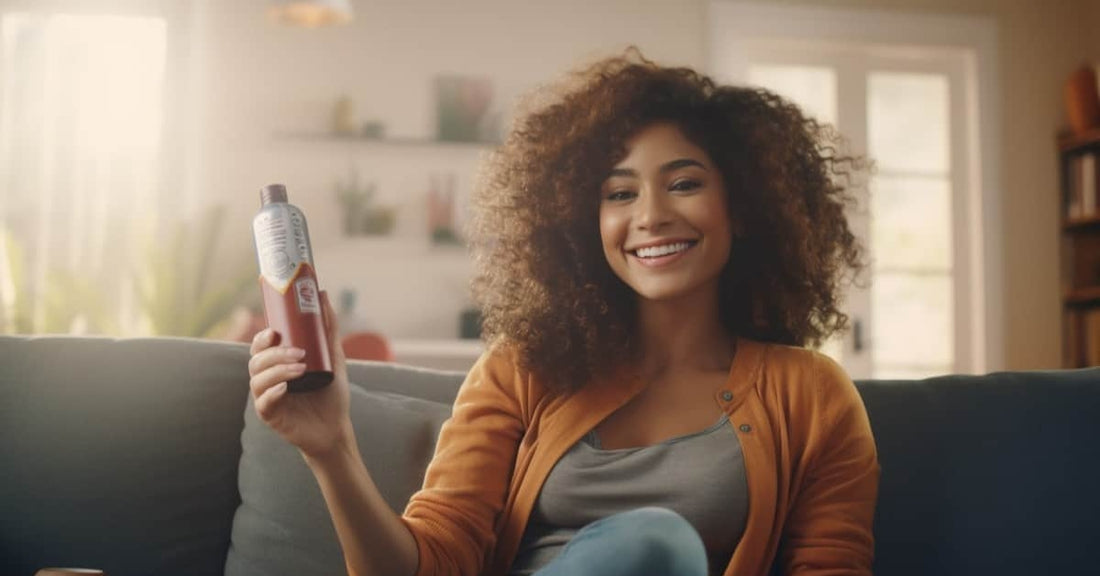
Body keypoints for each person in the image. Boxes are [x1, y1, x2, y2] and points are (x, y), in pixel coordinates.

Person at [247, 49, 878, 576]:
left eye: (684, 183)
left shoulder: (812, 395)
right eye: (620, 193)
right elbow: (432, 562)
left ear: (742, 208)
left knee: (655, 547)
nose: (650, 215)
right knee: (653, 544)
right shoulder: (525, 368)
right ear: (585, 224)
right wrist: (332, 450)